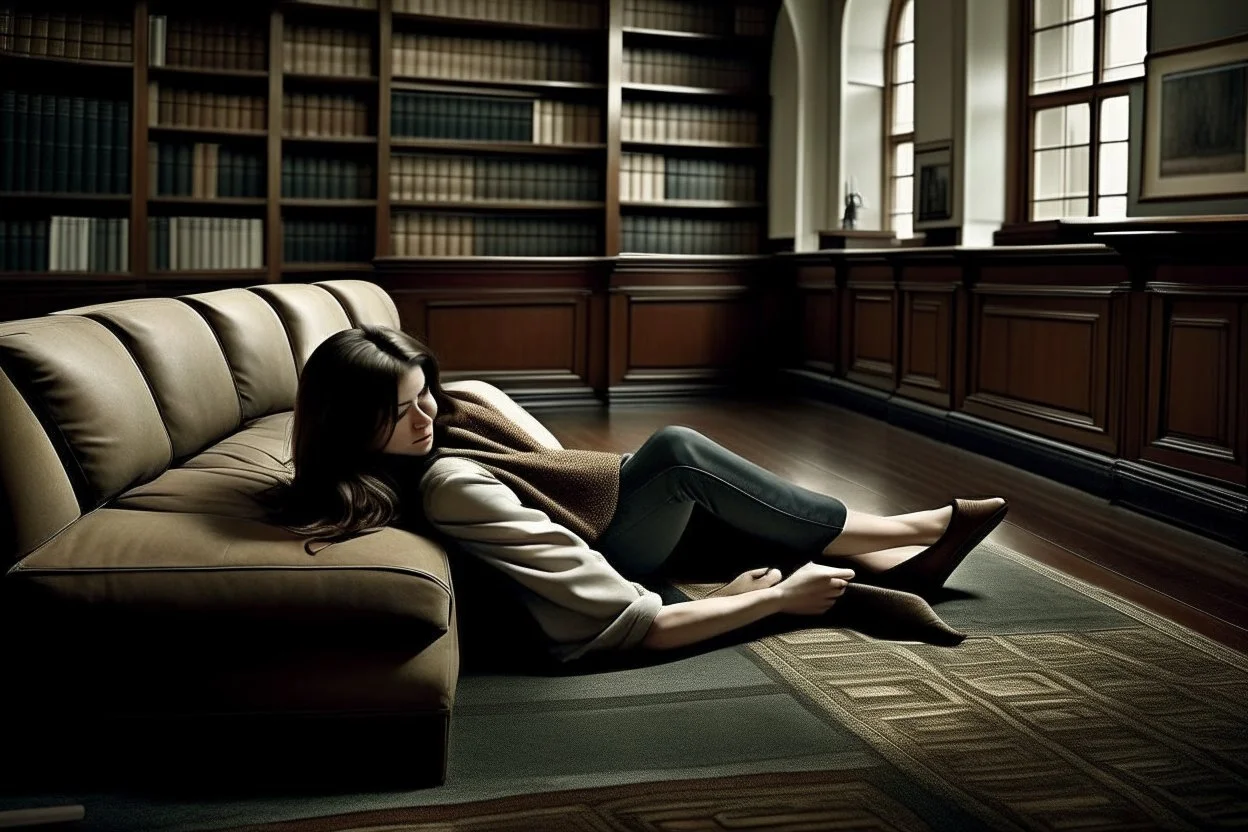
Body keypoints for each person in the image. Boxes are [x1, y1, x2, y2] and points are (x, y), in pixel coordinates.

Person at [272, 325, 1008, 664]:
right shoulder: (451, 486)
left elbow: (546, 461)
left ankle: (889, 566)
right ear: (350, 421)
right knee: (680, 457)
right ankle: (911, 535)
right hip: (601, 570)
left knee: (713, 494)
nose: (429, 415)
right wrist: (761, 604)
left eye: (423, 393)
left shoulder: (426, 435)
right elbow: (634, 620)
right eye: (403, 411)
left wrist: (452, 397)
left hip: (582, 531)